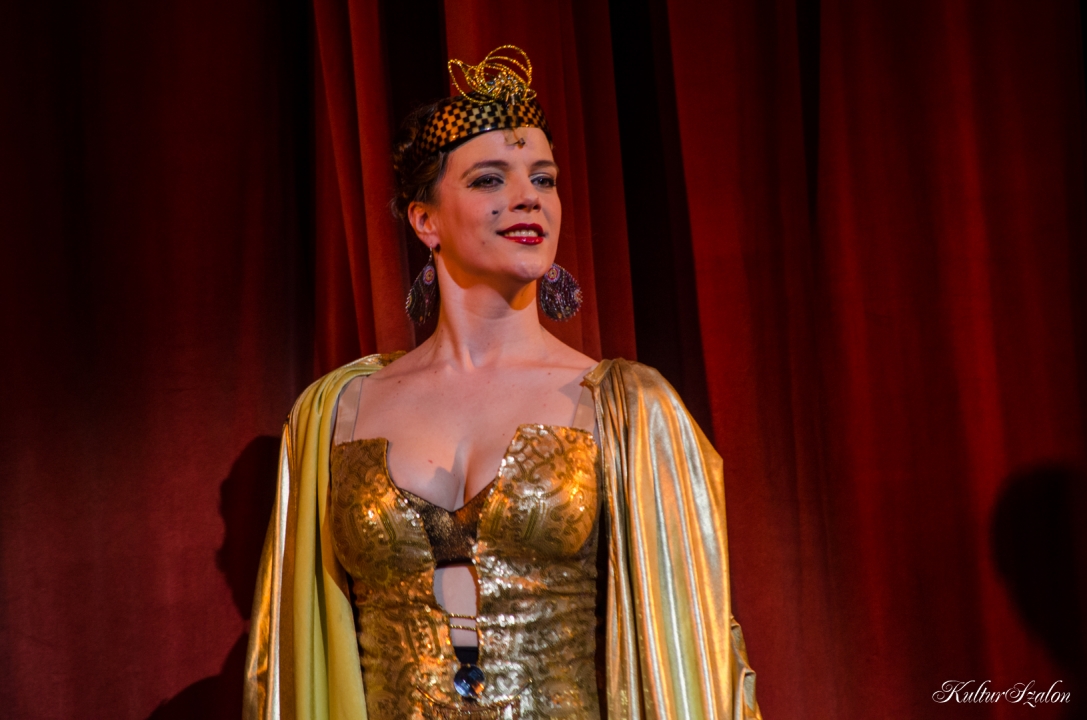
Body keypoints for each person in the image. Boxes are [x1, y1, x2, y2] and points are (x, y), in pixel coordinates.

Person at [244, 46, 761, 720]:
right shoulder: (335, 412)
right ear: (424, 220)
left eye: (543, 178)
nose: (527, 197)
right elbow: (291, 648)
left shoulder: (625, 407)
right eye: (490, 179)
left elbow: (694, 651)